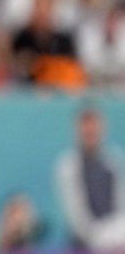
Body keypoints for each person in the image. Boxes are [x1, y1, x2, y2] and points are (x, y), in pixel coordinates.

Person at [55, 107, 125, 250]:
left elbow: (121, 203)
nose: (90, 132)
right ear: (77, 131)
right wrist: (99, 238)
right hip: (85, 243)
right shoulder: (68, 166)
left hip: (117, 235)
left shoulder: (115, 161)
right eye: (86, 130)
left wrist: (116, 234)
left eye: (94, 129)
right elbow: (76, 217)